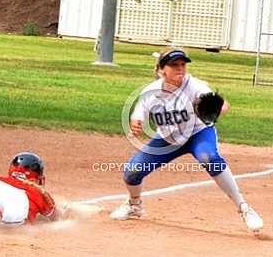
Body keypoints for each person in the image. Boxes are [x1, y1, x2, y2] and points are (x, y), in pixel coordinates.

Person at [109, 47, 263, 233]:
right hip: (168, 140)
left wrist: (220, 107)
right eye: (174, 65)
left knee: (209, 158)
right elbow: (138, 115)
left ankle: (244, 208)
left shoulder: (195, 86)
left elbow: (219, 103)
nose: (180, 68)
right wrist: (136, 123)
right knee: (132, 172)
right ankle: (135, 205)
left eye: (183, 64)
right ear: (162, 69)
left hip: (198, 134)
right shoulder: (151, 92)